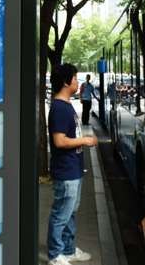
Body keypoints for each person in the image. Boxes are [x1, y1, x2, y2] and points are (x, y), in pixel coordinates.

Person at [47, 63, 98, 265]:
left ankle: (68, 250)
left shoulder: (66, 106)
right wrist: (85, 140)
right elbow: (59, 141)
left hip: (73, 169)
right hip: (65, 171)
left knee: (70, 213)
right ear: (67, 82)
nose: (77, 82)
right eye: (75, 78)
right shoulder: (60, 108)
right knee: (61, 214)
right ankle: (54, 255)